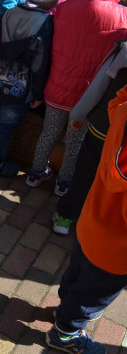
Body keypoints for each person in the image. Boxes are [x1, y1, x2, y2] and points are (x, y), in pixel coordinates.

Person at [46, 83, 127, 354]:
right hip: (116, 251)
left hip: (91, 219)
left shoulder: (122, 112)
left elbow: (119, 96)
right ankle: (65, 332)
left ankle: (65, 303)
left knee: (78, 272)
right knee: (92, 294)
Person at [26, 0, 127, 195]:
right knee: (74, 142)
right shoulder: (123, 16)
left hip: (57, 87)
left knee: (49, 132)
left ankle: (35, 173)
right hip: (87, 96)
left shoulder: (64, 7)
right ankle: (63, 184)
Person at [0, 0, 63, 177]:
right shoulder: (45, 23)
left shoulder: (9, 13)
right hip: (20, 89)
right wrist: (36, 93)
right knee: (5, 129)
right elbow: (40, 64)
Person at [52, 40, 127, 235]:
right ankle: (98, 227)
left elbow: (99, 85)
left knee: (85, 172)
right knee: (115, 182)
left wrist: (79, 114)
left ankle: (65, 217)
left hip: (104, 126)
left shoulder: (124, 50)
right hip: (123, 142)